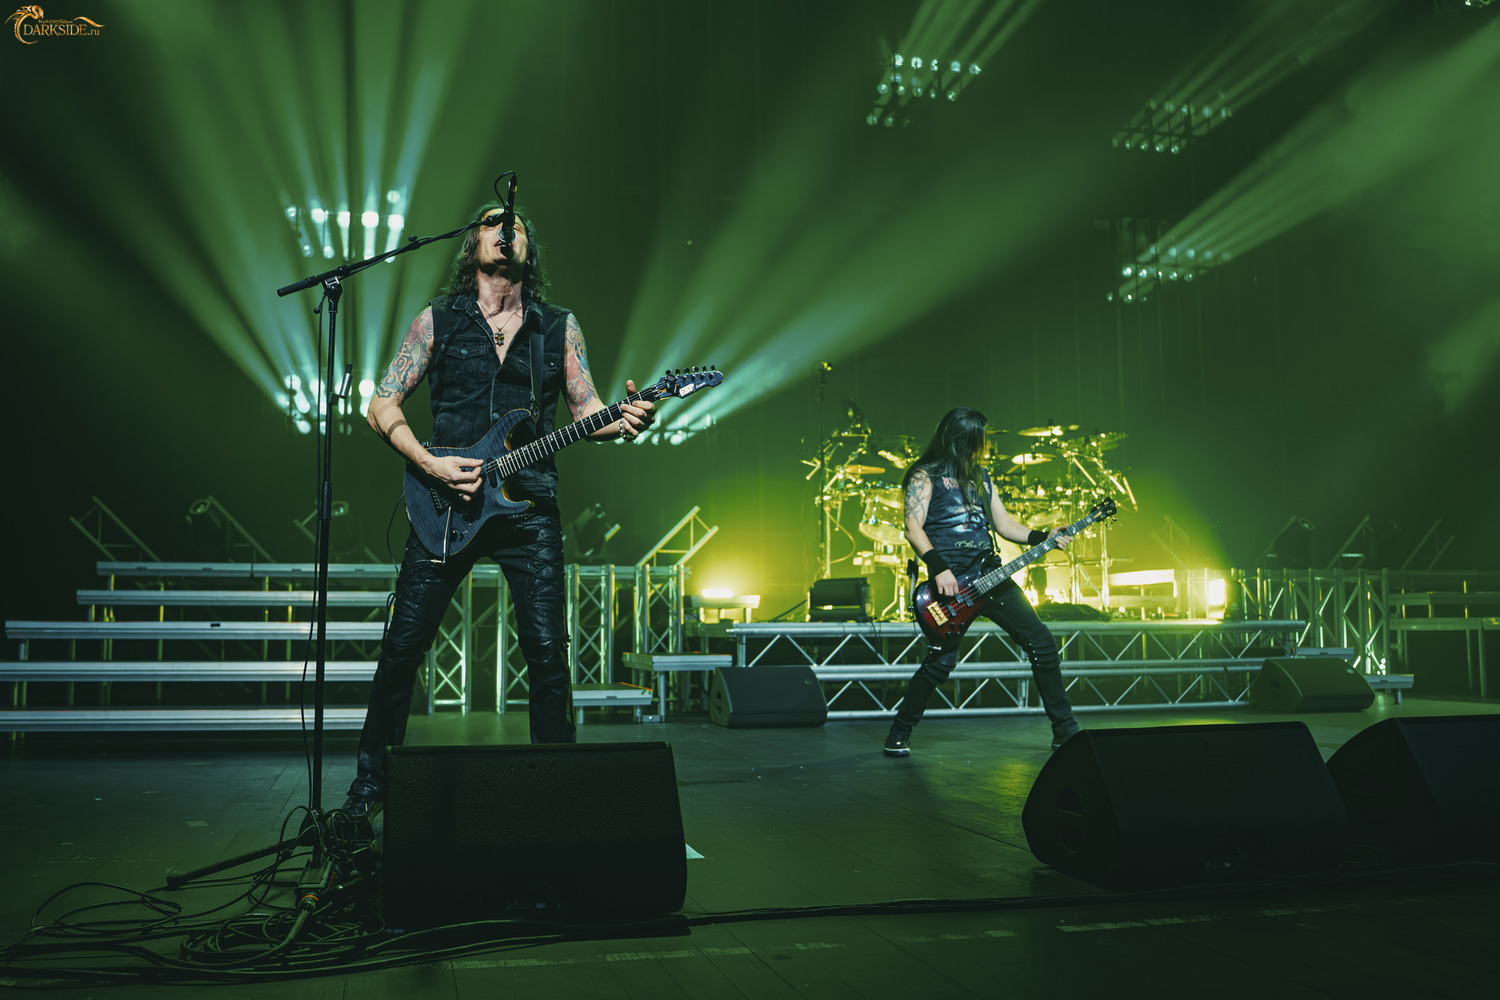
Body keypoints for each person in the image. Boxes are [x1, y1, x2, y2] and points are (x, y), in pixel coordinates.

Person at [343, 202, 654, 815]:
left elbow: (587, 411)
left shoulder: (556, 326)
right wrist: (429, 464)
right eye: (491, 222)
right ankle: (370, 787)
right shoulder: (437, 320)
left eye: (515, 226)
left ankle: (556, 796)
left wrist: (625, 419)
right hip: (444, 503)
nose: (504, 230)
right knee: (402, 647)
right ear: (472, 244)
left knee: (547, 652)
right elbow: (381, 406)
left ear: (529, 249)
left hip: (529, 505)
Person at [883, 406, 1079, 757]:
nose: (986, 445)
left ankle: (1066, 731)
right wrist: (939, 568)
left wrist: (1043, 536)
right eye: (981, 439)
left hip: (991, 574)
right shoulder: (925, 475)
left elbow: (1004, 525)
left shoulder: (982, 477)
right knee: (940, 663)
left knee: (1042, 643)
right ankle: (899, 731)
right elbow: (913, 527)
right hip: (951, 581)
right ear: (963, 438)